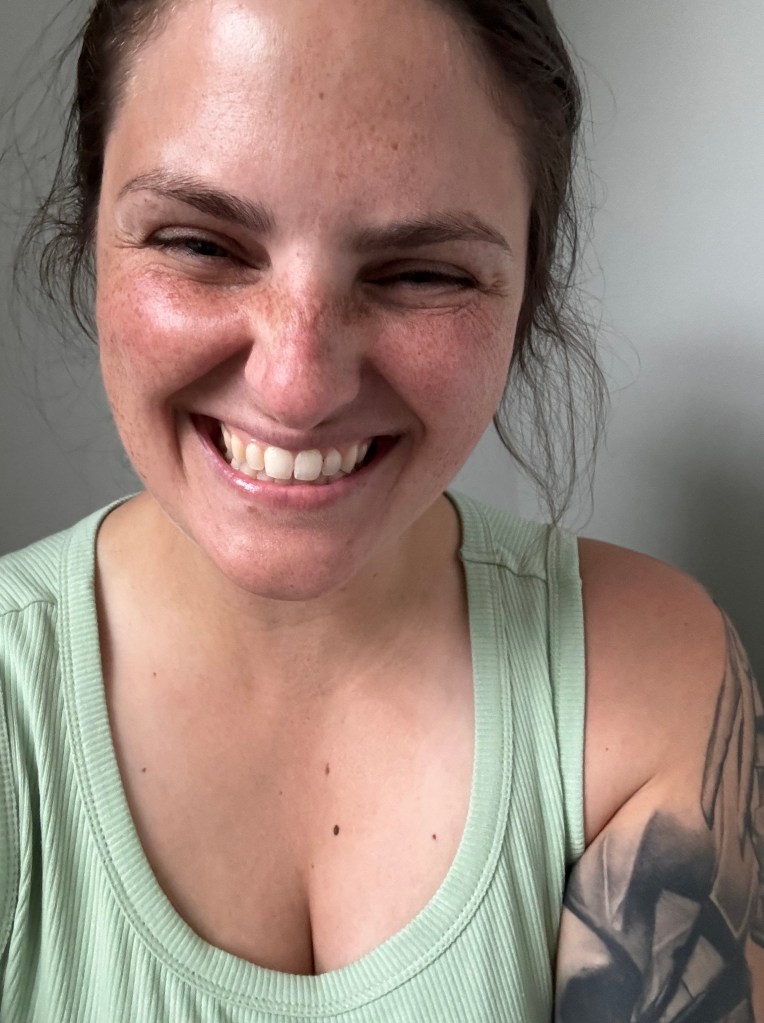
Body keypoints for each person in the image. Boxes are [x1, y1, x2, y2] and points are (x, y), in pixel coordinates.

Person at [0, 0, 762, 1019]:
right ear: (93, 228)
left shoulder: (645, 678)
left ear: (526, 288)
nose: (296, 386)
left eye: (420, 273)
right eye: (202, 245)